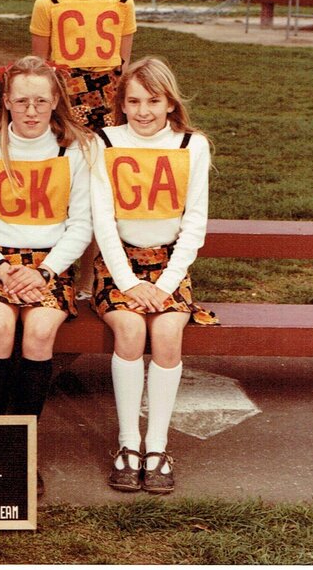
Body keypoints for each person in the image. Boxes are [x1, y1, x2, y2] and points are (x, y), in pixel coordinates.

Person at [0, 55, 94, 495]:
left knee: (38, 332)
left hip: (50, 264)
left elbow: (81, 225)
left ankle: (22, 446)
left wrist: (45, 271)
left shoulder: (72, 151)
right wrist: (1, 268)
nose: (32, 110)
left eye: (41, 100)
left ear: (56, 100)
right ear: (7, 101)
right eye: (22, 101)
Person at [89, 56, 216, 495]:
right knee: (127, 329)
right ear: (120, 103)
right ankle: (128, 445)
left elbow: (194, 222)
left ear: (169, 103)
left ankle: (157, 447)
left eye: (153, 101)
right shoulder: (104, 141)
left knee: (166, 334)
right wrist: (128, 283)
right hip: (118, 263)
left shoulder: (190, 145)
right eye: (133, 101)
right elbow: (103, 222)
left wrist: (162, 287)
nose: (143, 111)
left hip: (168, 265)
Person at [29, 0, 142, 300]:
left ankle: (89, 274)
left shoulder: (122, 1)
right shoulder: (48, 2)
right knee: (64, 186)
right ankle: (50, 267)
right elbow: (41, 68)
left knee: (99, 191)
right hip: (64, 104)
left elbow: (124, 65)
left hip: (108, 107)